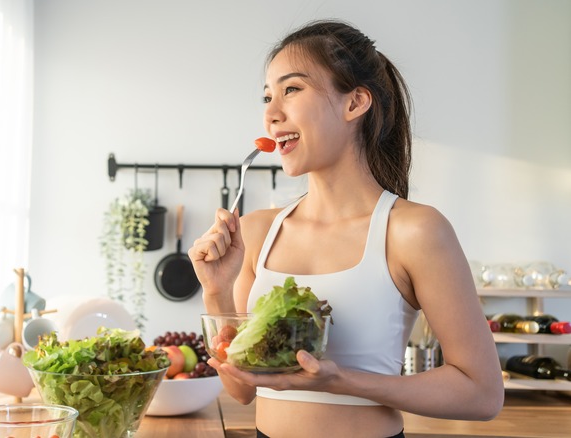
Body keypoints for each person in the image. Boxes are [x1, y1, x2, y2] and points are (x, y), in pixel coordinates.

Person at [188, 19, 504, 438]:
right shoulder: (258, 231)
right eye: (267, 96)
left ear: (354, 103)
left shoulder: (414, 230)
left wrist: (340, 380)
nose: (270, 113)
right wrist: (216, 290)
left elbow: (481, 394)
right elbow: (241, 388)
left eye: (292, 89)